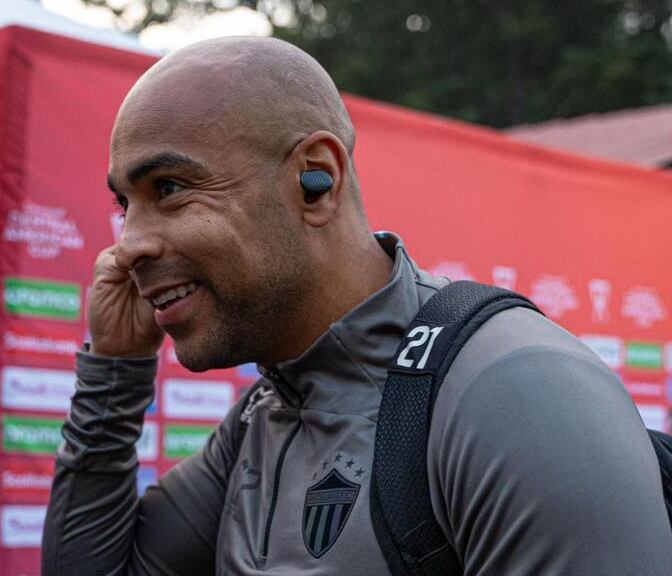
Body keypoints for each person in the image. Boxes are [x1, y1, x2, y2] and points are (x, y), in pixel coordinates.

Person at [41, 37, 672, 575]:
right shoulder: (267, 415)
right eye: (125, 205)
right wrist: (114, 374)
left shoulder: (516, 393)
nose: (128, 245)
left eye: (169, 188)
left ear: (316, 180)